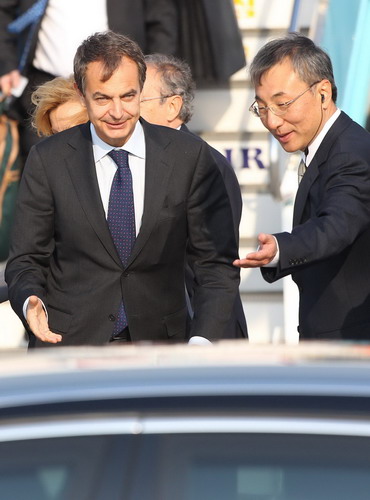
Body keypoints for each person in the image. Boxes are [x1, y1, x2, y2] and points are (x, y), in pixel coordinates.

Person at [5, 31, 240, 347]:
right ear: (81, 92)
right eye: (102, 98)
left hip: (163, 351)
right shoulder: (48, 159)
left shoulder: (188, 156)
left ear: (141, 89)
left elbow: (215, 265)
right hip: (67, 347)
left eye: (128, 96)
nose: (117, 112)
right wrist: (29, 299)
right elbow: (27, 259)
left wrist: (201, 342)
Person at [234, 32, 370, 341]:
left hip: (352, 346)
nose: (272, 121)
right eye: (262, 108)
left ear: (323, 93)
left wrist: (282, 248)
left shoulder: (350, 153)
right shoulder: (328, 147)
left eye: (282, 104)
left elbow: (337, 225)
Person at [141, 53, 247, 338]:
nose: (124, 111)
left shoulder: (207, 165)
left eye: (135, 99)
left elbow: (213, 263)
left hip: (203, 330)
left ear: (172, 105)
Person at [0, 0, 178, 164]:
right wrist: (7, 65)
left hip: (116, 87)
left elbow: (161, 16)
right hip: (45, 84)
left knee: (118, 163)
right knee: (45, 163)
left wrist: (154, 74)